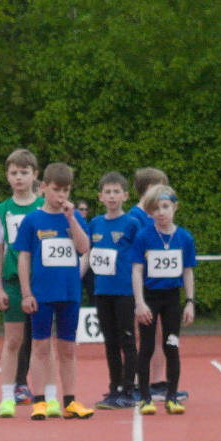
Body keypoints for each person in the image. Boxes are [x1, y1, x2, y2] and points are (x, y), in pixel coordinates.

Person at [13, 162, 93, 420]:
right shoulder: (32, 220)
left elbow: (83, 248)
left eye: (66, 190)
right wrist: (26, 293)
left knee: (68, 349)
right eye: (57, 190)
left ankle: (70, 402)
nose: (62, 196)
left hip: (70, 293)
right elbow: (23, 258)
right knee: (40, 347)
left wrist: (71, 219)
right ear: (44, 187)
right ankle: (40, 401)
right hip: (42, 294)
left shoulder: (74, 217)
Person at [0, 149, 43, 418]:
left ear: (35, 175)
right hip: (13, 283)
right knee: (13, 340)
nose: (18, 177)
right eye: (13, 173)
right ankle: (8, 395)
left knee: (43, 342)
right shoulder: (1, 211)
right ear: (7, 177)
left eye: (24, 172)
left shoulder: (44, 207)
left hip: (42, 281)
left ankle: (46, 395)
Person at [131, 185, 196, 415]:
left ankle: (172, 397)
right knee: (147, 347)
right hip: (150, 298)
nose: (161, 212)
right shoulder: (143, 236)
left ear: (175, 207)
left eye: (165, 207)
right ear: (150, 212)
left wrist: (190, 301)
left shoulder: (185, 238)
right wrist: (139, 302)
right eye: (156, 209)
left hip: (172, 299)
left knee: (172, 347)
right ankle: (145, 397)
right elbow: (137, 270)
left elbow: (188, 271)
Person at [87, 172, 141, 409]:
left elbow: (141, 257)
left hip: (125, 291)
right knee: (109, 341)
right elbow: (88, 255)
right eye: (107, 192)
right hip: (102, 290)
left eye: (116, 191)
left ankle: (129, 389)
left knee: (127, 339)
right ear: (100, 196)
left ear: (125, 195)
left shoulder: (132, 223)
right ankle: (114, 388)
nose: (111, 196)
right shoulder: (95, 223)